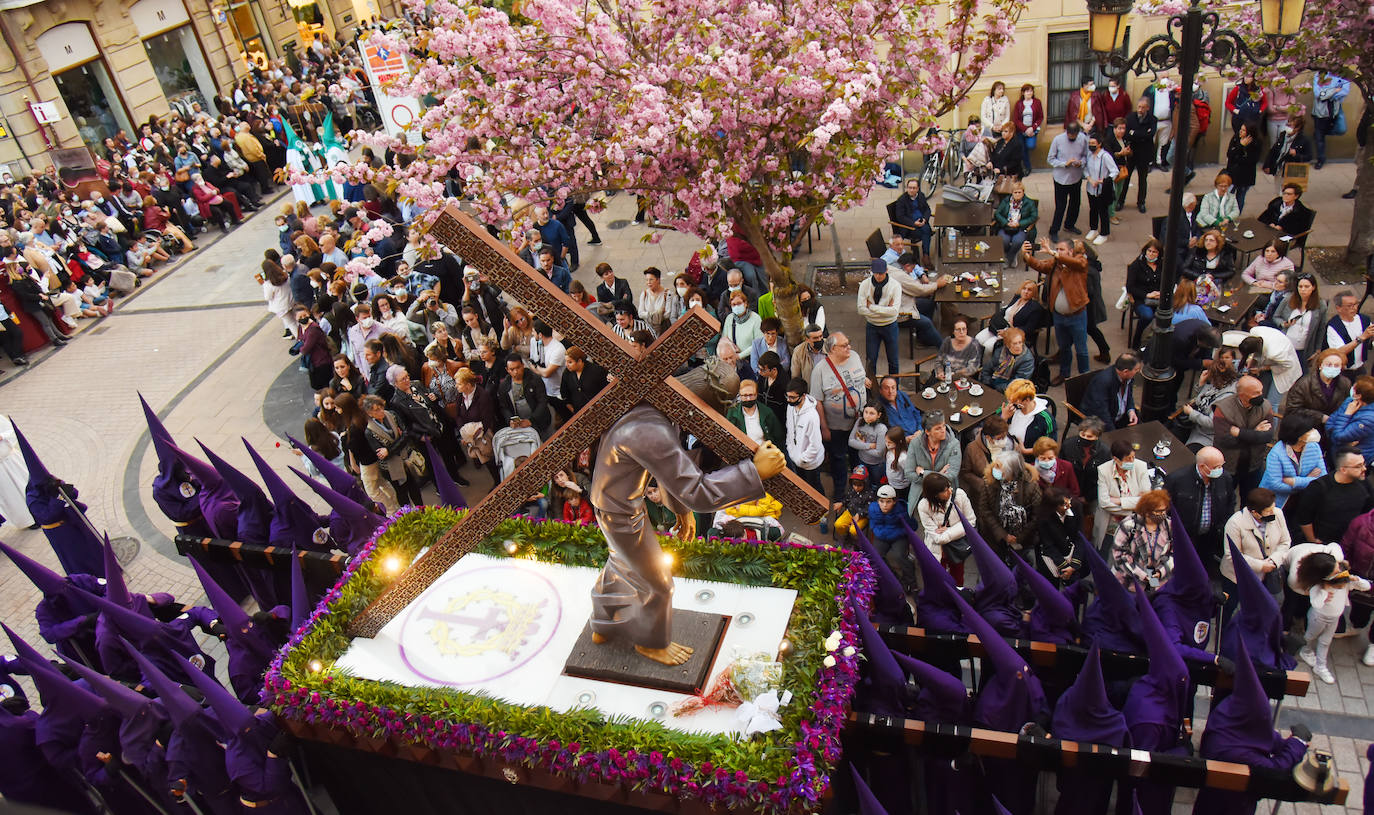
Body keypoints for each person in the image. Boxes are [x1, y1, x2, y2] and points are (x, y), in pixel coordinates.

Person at [1023, 237, 1090, 386]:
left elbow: (1078, 263)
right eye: (1057, 249)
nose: (1058, 253)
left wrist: (1053, 252)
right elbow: (1041, 265)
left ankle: (1085, 379)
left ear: (1070, 251)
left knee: (1081, 350)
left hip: (1077, 315)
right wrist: (1026, 256)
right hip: (1059, 316)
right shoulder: (1056, 264)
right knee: (1064, 347)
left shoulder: (1080, 262)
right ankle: (1064, 374)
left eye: (1061, 250)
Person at [810, 332, 868, 497]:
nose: (849, 347)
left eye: (848, 343)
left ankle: (861, 491)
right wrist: (824, 428)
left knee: (859, 458)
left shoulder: (855, 357)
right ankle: (840, 495)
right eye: (844, 345)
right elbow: (817, 401)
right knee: (839, 460)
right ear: (833, 349)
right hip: (836, 428)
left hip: (860, 423)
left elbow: (858, 378)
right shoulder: (820, 370)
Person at [1299, 554, 1368, 684]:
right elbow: (1316, 604)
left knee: (1326, 641)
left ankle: (1321, 666)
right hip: (1318, 617)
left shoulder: (1344, 583)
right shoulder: (1318, 587)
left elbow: (1366, 587)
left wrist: (1355, 579)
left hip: (1334, 618)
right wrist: (1325, 591)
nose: (1340, 574)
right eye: (1335, 572)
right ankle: (1306, 650)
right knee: (1310, 636)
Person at [1294, 449, 1374, 543]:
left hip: (1351, 541)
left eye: (1363, 464)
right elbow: (1304, 518)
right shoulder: (1319, 487)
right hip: (1324, 542)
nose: (1364, 468)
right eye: (1358, 466)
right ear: (1343, 469)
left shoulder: (1364, 484)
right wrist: (1312, 540)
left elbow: (1368, 512)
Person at [1214, 375, 1275, 496]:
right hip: (1228, 466)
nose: (1261, 395)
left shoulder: (1265, 406)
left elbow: (1268, 436)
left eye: (1261, 391)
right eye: (1256, 393)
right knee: (1224, 499)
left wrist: (1240, 433)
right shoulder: (1223, 409)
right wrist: (1256, 433)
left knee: (1250, 501)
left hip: (1254, 465)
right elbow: (1225, 441)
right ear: (1242, 395)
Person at [360, 393, 424, 507]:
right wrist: (397, 442)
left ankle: (422, 509)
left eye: (381, 407)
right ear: (369, 414)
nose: (381, 411)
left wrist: (389, 449)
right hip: (390, 468)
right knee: (401, 493)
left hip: (406, 459)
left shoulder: (392, 415)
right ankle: (409, 514)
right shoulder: (369, 431)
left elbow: (406, 434)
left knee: (414, 488)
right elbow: (382, 455)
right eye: (376, 410)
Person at [915, 472, 977, 585]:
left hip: (957, 548)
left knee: (958, 576)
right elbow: (938, 539)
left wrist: (948, 530)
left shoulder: (959, 495)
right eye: (944, 490)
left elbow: (971, 522)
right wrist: (957, 528)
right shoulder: (923, 506)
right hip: (938, 550)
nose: (949, 491)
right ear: (934, 494)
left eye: (949, 486)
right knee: (938, 580)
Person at [977, 448, 1040, 557]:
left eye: (998, 466)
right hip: (996, 539)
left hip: (1025, 540)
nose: (994, 469)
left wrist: (1019, 537)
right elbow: (985, 510)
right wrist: (1003, 535)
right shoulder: (989, 483)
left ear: (1010, 470)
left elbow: (1036, 515)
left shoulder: (1031, 486)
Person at [1110, 489, 1174, 589]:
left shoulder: (1169, 525)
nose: (1163, 514)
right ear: (1146, 511)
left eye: (1164, 510)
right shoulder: (1129, 525)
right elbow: (1119, 555)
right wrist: (1142, 575)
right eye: (1158, 511)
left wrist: (1160, 572)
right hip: (1129, 582)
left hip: (1160, 583)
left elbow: (1174, 553)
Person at [1094, 439, 1152, 544]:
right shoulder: (1103, 470)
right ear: (1116, 459)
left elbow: (1146, 500)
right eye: (1128, 459)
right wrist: (1134, 508)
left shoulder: (1141, 466)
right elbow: (1104, 503)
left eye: (1133, 457)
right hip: (1110, 522)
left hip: (1135, 523)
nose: (1132, 461)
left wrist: (1119, 501)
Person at [1180, 348, 1241, 448]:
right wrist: (1201, 384)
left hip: (1208, 436)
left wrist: (1191, 413)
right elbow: (1199, 401)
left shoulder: (1227, 396)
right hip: (1195, 427)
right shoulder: (1214, 385)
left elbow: (1212, 422)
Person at [903, 410, 961, 514]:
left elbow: (951, 475)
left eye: (943, 426)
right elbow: (908, 473)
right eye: (938, 428)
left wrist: (923, 473)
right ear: (927, 432)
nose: (943, 430)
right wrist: (940, 475)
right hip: (922, 492)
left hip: (945, 491)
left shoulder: (954, 444)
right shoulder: (915, 443)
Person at [1237, 326, 1301, 410]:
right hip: (1272, 361)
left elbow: (1288, 365)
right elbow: (1256, 355)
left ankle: (1271, 421)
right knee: (1262, 395)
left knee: (1272, 404)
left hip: (1285, 369)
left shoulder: (1274, 353)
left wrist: (1263, 368)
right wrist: (1251, 362)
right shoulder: (1255, 332)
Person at [1282, 349, 1350, 427]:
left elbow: (1345, 406)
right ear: (1320, 365)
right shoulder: (1304, 384)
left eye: (1336, 365)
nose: (1333, 368)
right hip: (1306, 426)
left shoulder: (1345, 383)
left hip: (1332, 426)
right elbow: (1292, 409)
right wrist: (1321, 417)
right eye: (1329, 365)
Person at [857, 259, 901, 376]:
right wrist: (885, 310)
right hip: (872, 326)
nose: (878, 276)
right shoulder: (865, 285)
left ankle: (894, 389)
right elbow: (861, 309)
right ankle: (872, 389)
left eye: (881, 273)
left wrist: (871, 307)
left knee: (893, 361)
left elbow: (894, 311)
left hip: (890, 325)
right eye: (876, 273)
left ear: (886, 271)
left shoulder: (895, 286)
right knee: (870, 361)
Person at [1045, 121, 1087, 241]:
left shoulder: (1083, 139)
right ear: (1066, 132)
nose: (1072, 138)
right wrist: (1064, 164)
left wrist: (1081, 163)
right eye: (1070, 136)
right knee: (1060, 206)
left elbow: (1085, 155)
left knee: (1075, 203)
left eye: (1074, 136)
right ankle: (1054, 230)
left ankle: (1069, 225)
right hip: (1061, 179)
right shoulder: (1058, 140)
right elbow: (1050, 159)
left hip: (1076, 177)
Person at [1080, 352, 1142, 431]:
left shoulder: (1129, 377)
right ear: (1125, 371)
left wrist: (1131, 410)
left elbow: (1128, 395)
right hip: (1101, 419)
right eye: (1136, 370)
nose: (1138, 372)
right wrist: (1113, 432)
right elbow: (1102, 412)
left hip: (1118, 414)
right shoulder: (1103, 382)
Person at [785, 378, 826, 493]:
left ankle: (823, 509)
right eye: (787, 396)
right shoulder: (790, 407)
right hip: (796, 458)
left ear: (803, 396)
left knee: (815, 489)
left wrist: (802, 460)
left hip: (810, 463)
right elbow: (790, 429)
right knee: (803, 489)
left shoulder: (812, 416)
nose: (789, 400)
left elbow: (815, 445)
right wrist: (791, 450)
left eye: (792, 397)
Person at [978, 280, 1045, 352]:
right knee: (978, 339)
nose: (1026, 291)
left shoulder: (1035, 308)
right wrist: (994, 320)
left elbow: (1028, 329)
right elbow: (1005, 310)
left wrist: (1008, 332)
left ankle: (991, 362)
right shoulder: (1017, 298)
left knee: (988, 346)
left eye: (1029, 290)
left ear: (1034, 293)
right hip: (1000, 326)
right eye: (1024, 288)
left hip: (1014, 334)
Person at [497, 356, 552, 438]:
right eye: (512, 369)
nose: (516, 372)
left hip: (540, 421)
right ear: (507, 370)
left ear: (523, 365)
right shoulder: (504, 386)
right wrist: (510, 420)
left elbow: (542, 401)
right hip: (520, 425)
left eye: (518, 368)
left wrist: (532, 420)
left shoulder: (535, 379)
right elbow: (504, 407)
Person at [867, 485, 911, 586]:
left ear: (894, 501)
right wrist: (878, 531)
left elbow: (912, 526)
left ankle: (911, 584)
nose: (885, 505)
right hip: (881, 536)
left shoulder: (902, 510)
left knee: (899, 556)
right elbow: (873, 523)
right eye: (881, 501)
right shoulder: (873, 509)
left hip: (898, 536)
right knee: (876, 556)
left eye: (888, 501)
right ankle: (893, 577)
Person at [1324, 289, 1374, 377]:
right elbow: (1339, 351)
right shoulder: (1333, 326)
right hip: (1342, 371)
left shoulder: (1364, 320)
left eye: (1356, 304)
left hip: (1360, 368)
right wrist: (1361, 338)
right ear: (1338, 308)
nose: (1354, 308)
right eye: (1350, 306)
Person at [959, 414, 1010, 500]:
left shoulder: (1011, 445)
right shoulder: (972, 449)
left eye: (1004, 436)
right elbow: (965, 473)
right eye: (999, 438)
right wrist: (983, 486)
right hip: (983, 497)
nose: (1003, 440)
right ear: (988, 437)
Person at [725, 379, 785, 450]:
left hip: (763, 454)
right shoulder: (733, 413)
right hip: (742, 455)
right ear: (740, 396)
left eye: (751, 395)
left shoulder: (766, 412)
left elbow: (778, 437)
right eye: (745, 395)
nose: (748, 399)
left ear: (756, 395)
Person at [1120, 98, 1157, 214]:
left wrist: (1135, 133)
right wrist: (1141, 134)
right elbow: (1127, 134)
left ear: (1148, 108)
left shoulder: (1152, 119)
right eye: (1139, 107)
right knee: (1126, 178)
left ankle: (1141, 202)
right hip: (1132, 152)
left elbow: (1150, 134)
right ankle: (1121, 201)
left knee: (1142, 179)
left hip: (1144, 153)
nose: (1140, 109)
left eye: (1143, 107)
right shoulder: (1130, 118)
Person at [1001, 377, 1054, 456]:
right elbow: (995, 428)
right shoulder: (1011, 407)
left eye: (1015, 401)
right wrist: (1003, 418)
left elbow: (1049, 446)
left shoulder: (1045, 419)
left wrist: (1026, 451)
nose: (1011, 403)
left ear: (1027, 400)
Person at [1310, 71, 1352, 169]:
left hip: (1335, 109)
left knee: (1341, 129)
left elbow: (1344, 91)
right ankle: (1321, 159)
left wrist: (1327, 93)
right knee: (1320, 138)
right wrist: (1334, 90)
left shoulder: (1342, 74)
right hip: (1320, 111)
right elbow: (1319, 94)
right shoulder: (1320, 74)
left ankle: (1319, 134)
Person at [1329, 375, 1374, 465]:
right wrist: (1339, 440)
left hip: (1354, 461)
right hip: (1338, 452)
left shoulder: (1369, 419)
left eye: (1354, 387)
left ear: (1358, 395)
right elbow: (1330, 422)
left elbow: (1339, 435)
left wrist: (1347, 414)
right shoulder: (1350, 401)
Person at [1082, 131, 1117, 245]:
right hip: (1091, 188)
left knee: (1103, 211)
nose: (1091, 145)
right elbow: (1085, 169)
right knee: (1093, 209)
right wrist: (1090, 179)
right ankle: (1093, 229)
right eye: (1090, 143)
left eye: (1093, 143)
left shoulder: (1105, 156)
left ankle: (1104, 233)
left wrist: (1105, 180)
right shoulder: (1089, 156)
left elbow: (1114, 171)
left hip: (1102, 189)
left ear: (1099, 144)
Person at [993, 183, 1037, 268]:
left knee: (1017, 241)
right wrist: (1006, 222)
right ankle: (1008, 254)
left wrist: (1020, 223)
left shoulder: (1029, 203)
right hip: (1006, 227)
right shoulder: (1006, 201)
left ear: (1023, 192)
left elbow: (1033, 217)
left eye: (1019, 192)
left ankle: (1010, 257)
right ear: (1012, 193)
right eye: (1015, 192)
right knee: (1003, 240)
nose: (1017, 194)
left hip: (1020, 227)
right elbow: (997, 214)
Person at [1223, 122, 1264, 212]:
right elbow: (1230, 154)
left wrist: (1238, 157)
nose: (1240, 132)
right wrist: (1240, 146)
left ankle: (1236, 214)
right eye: (1240, 129)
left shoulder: (1256, 143)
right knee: (1227, 195)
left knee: (1240, 197)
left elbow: (1251, 160)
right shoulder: (1236, 138)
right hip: (1232, 172)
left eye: (1243, 130)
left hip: (1245, 175)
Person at [979, 326, 1035, 392]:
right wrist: (987, 381)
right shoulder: (1001, 351)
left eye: (1020, 342)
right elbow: (988, 367)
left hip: (1009, 389)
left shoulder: (1027, 360)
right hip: (993, 381)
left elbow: (1017, 384)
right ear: (1007, 345)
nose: (1018, 346)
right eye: (1014, 343)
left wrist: (995, 387)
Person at [1262, 117, 1314, 184]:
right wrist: (1267, 165)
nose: (1287, 126)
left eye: (1290, 125)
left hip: (1292, 171)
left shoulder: (1304, 140)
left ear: (1297, 128)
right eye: (1287, 124)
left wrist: (1296, 155)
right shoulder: (1282, 135)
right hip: (1279, 169)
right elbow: (1273, 151)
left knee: (1289, 192)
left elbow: (1309, 157)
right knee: (1279, 192)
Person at [891, 178, 933, 260]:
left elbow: (927, 209)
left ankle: (925, 256)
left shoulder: (921, 196)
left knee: (926, 230)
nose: (911, 190)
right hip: (910, 227)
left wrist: (925, 219)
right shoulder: (902, 200)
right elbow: (901, 217)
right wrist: (914, 223)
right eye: (909, 188)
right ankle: (926, 256)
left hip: (921, 222)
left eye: (914, 188)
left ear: (917, 189)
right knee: (927, 231)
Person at [875, 375, 922, 442]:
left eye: (893, 388)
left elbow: (916, 413)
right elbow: (883, 435)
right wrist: (904, 440)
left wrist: (919, 430)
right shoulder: (878, 407)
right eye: (886, 388)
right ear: (880, 390)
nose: (890, 391)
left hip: (918, 435)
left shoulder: (902, 396)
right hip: (901, 443)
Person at [1011, 83, 1045, 174]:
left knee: (1030, 146)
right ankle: (1027, 167)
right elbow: (1016, 119)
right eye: (1027, 91)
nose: (1029, 93)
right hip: (1021, 130)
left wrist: (1032, 128)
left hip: (1032, 130)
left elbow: (1040, 117)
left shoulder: (1037, 102)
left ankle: (1025, 163)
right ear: (1023, 93)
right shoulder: (1019, 104)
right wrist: (1025, 129)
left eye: (1031, 91)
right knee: (1022, 148)